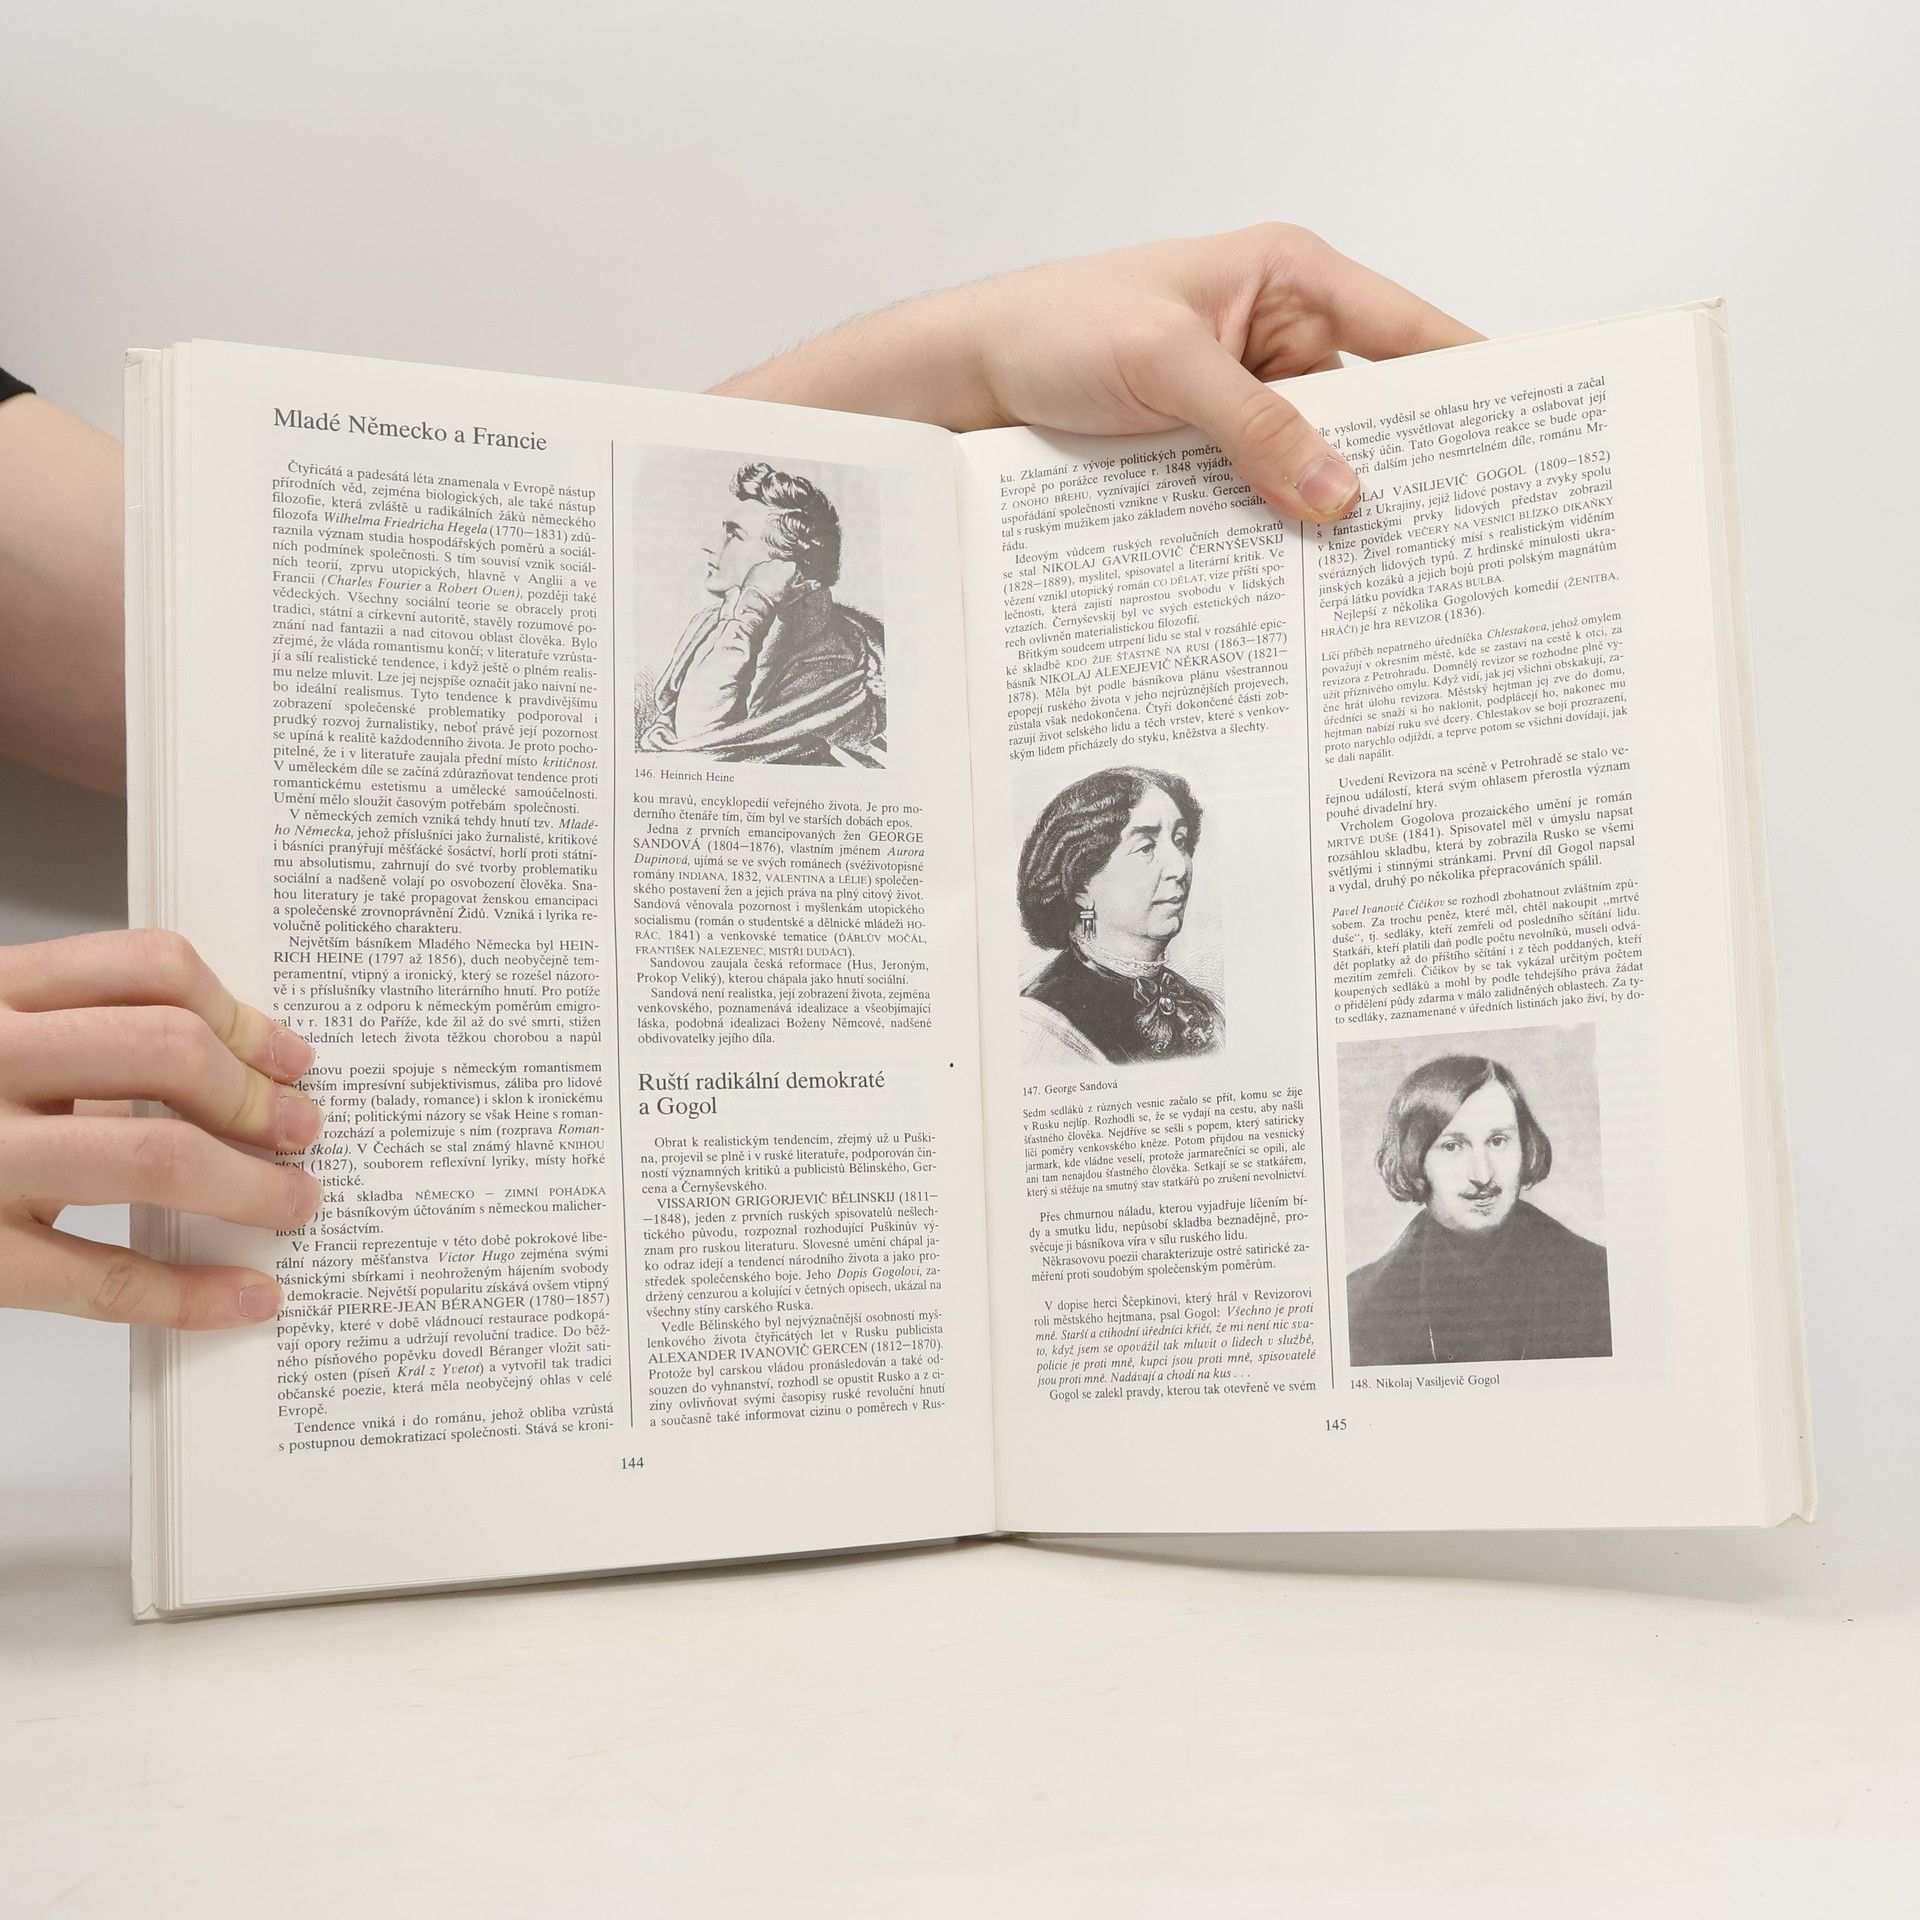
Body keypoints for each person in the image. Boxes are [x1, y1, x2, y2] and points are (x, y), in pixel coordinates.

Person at [0, 222, 1478, 1329]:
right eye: (1142, 840)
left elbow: (271, 671)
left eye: (1178, 842)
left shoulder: (817, 660)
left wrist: (967, 362)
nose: (1176, 867)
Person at [1345, 1053, 1610, 1366]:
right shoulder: (1362, 1304)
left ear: (1525, 1146)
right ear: (1414, 1157)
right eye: (1453, 1146)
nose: (1483, 1175)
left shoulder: (1597, 1279)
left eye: (1498, 1141)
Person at [635, 460, 886, 766]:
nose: (709, 545)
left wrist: (755, 606)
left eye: (734, 534)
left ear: (785, 564)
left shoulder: (828, 655)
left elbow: (699, 741)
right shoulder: (712, 622)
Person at [1016, 766, 1222, 1066]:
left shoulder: (1208, 1008)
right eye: (1146, 847)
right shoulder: (1040, 1028)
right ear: (1081, 884)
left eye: (1180, 841)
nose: (1179, 868)